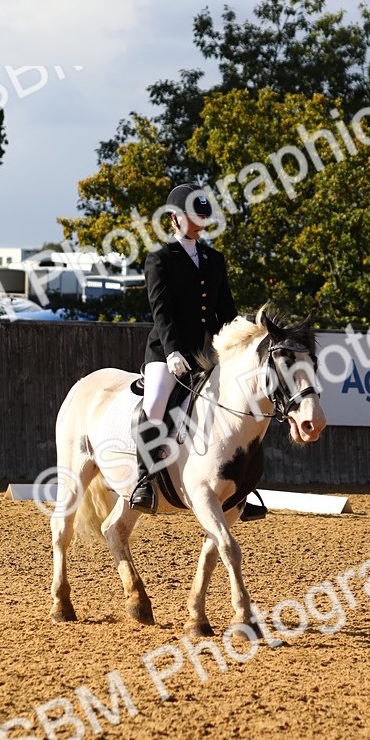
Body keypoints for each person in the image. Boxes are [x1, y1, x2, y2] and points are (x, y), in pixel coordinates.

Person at [129, 183, 237, 513]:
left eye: (203, 217)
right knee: (157, 404)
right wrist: (173, 351)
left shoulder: (214, 259)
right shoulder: (160, 258)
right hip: (167, 352)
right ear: (174, 219)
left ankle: (241, 482)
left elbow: (227, 313)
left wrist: (235, 347)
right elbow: (161, 310)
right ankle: (144, 480)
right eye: (193, 217)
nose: (199, 224)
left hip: (206, 351)